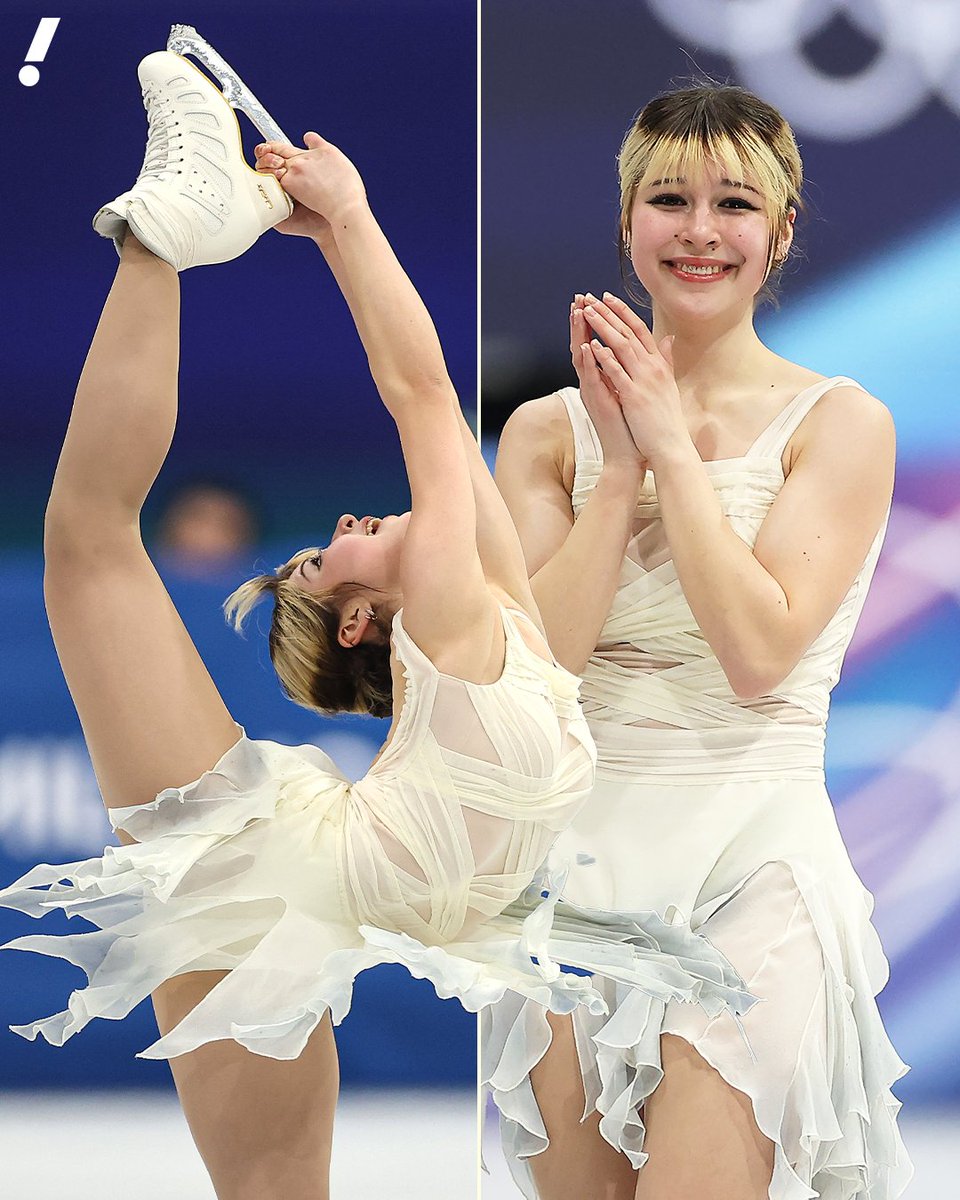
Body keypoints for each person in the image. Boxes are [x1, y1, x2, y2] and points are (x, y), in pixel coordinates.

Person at [0, 47, 752, 1200]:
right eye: (327, 549)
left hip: (300, 877)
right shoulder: (469, 626)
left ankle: (174, 233)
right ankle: (162, 228)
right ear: (368, 619)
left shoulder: (494, 627)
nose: (345, 517)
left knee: (269, 1186)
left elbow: (426, 401)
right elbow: (422, 395)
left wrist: (352, 223)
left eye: (318, 547)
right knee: (88, 543)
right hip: (285, 878)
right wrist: (346, 221)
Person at [483, 85, 912, 1200]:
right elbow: (536, 675)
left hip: (754, 854)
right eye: (669, 199)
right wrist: (617, 467)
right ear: (627, 221)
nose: (699, 230)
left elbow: (760, 652)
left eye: (733, 203)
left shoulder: (841, 422)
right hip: (568, 866)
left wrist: (672, 455)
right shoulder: (544, 433)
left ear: (779, 228)